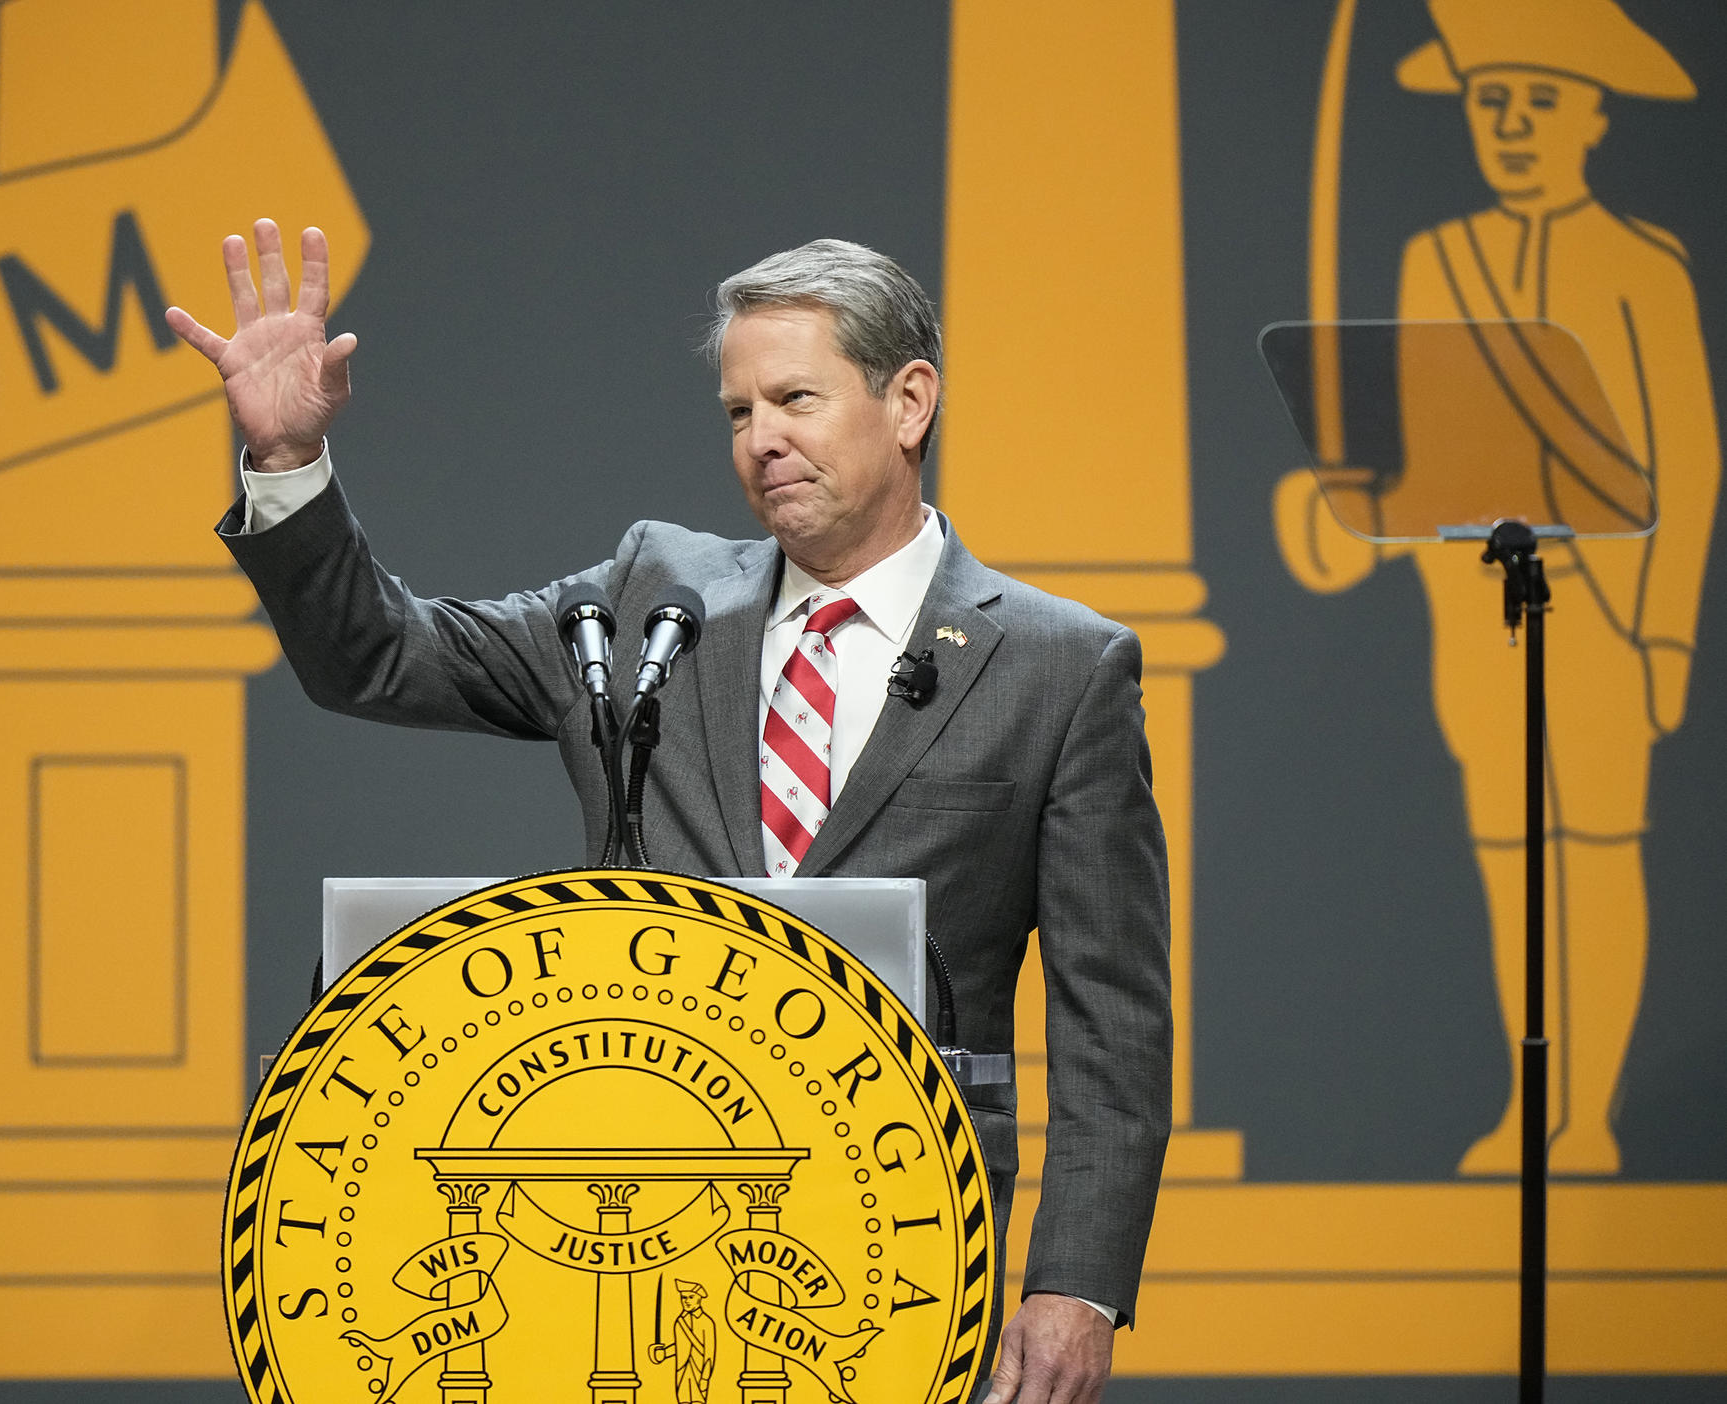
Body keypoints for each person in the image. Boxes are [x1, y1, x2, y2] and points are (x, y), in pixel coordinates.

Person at [168, 224, 1172, 1402]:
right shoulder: (652, 597)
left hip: (898, 1238)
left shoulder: (1062, 666)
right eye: (739, 411)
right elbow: (378, 659)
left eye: (795, 397)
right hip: (618, 1219)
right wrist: (288, 463)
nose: (763, 441)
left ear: (909, 401)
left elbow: (1113, 1025)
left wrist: (1077, 1286)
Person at [1275, 0, 1718, 1175]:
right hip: (1478, 620)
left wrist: (1664, 638)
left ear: (1591, 118)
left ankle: (1588, 1116)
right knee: (1509, 862)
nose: (1510, 126)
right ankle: (1537, 1108)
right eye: (1490, 103)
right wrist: (1341, 510)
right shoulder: (1441, 258)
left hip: (1605, 619)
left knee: (1597, 850)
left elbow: (1692, 458)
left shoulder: (1639, 266)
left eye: (1536, 103)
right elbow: (1420, 455)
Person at [648, 1278, 717, 1403]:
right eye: (683, 1297)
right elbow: (680, 1346)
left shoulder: (707, 1322)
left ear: (699, 1298)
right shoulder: (680, 1321)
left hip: (699, 1371)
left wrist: (705, 1378)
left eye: (691, 1297)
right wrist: (664, 1353)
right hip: (682, 1370)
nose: (686, 1301)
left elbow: (709, 1354)